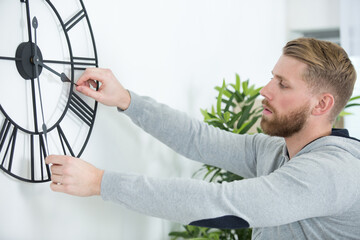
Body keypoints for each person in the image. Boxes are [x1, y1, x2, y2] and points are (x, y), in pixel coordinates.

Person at [45, 38, 360, 239]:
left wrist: (102, 183)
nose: (266, 90)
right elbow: (201, 140)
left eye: (283, 84)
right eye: (272, 77)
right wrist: (127, 99)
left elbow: (222, 205)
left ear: (322, 105)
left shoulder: (331, 174)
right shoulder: (279, 151)